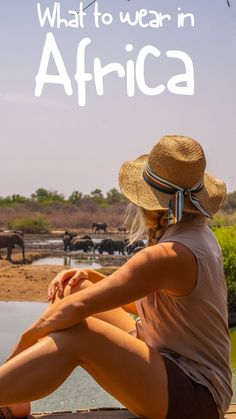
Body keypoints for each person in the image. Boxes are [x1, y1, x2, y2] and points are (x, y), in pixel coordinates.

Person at [0, 135, 232, 419]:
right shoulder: (195, 234)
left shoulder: (170, 255)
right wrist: (90, 276)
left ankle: (7, 391)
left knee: (78, 335)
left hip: (196, 398)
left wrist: (21, 347)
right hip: (172, 363)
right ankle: (14, 393)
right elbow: (157, 309)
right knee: (72, 288)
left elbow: (75, 311)